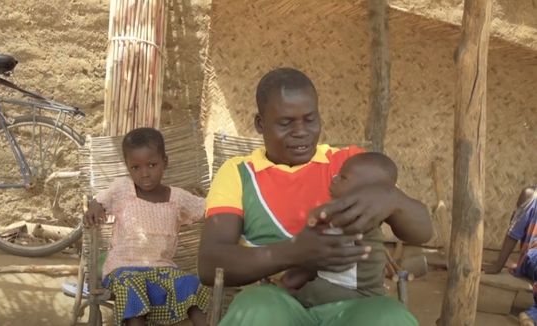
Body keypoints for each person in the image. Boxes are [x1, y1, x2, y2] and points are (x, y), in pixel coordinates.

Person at [198, 67, 433, 325]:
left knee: (389, 318)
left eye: (310, 119)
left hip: (354, 307)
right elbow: (211, 264)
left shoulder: (350, 165)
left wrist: (394, 199)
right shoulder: (239, 174)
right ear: (260, 124)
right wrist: (294, 253)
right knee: (256, 308)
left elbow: (421, 232)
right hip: (277, 301)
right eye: (286, 123)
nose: (301, 131)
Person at [84, 127, 209, 326]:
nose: (144, 174)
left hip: (162, 270)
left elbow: (207, 207)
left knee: (189, 283)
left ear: (164, 162)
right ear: (128, 167)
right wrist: (94, 207)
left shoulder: (177, 198)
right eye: (136, 167)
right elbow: (100, 200)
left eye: (152, 165)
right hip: (122, 270)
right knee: (131, 286)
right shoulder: (123, 189)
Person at [279, 151, 398, 307]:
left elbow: (324, 215)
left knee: (315, 292)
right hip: (343, 278)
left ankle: (294, 299)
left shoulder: (361, 216)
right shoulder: (362, 213)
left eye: (343, 178)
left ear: (368, 190)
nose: (334, 180)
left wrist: (317, 216)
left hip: (352, 288)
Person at [483, 186, 537, 326]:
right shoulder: (531, 195)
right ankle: (532, 315)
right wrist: (498, 266)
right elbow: (514, 232)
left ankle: (532, 315)